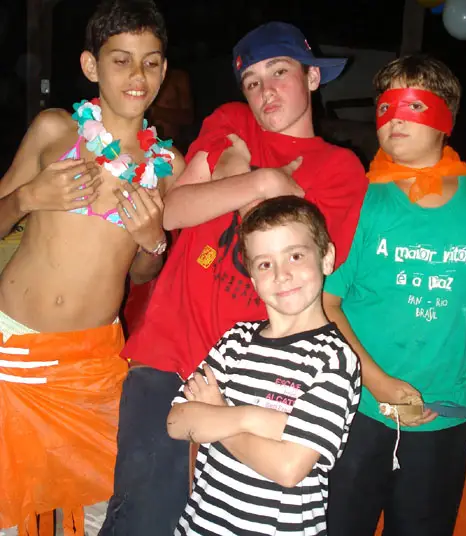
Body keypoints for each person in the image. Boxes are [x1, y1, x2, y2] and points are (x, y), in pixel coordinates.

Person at [99, 21, 367, 536]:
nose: (266, 91)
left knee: (237, 519)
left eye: (280, 72)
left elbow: (303, 261)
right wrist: (264, 181)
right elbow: (175, 211)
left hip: (259, 373)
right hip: (170, 350)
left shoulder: (340, 170)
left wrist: (234, 179)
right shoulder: (231, 120)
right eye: (252, 82)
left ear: (312, 78)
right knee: (141, 516)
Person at [0, 0, 184, 534]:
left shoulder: (168, 167)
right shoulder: (54, 131)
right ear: (91, 65)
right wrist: (29, 197)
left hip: (91, 364)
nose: (137, 76)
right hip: (12, 349)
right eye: (121, 60)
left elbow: (144, 274)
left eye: (151, 62)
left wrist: (153, 242)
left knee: (103, 497)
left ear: (163, 71)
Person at [323, 55, 466, 536]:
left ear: (447, 117)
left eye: (414, 105)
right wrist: (377, 381)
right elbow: (326, 302)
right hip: (358, 408)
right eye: (385, 107)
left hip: (443, 414)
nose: (394, 118)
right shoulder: (361, 198)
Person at [167, 195, 360, 536]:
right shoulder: (235, 340)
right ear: (253, 279)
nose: (282, 275)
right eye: (265, 264)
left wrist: (221, 413)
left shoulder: (334, 359)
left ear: (327, 258)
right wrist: (257, 420)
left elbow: (288, 468)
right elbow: (177, 422)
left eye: (295, 256)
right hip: (201, 526)